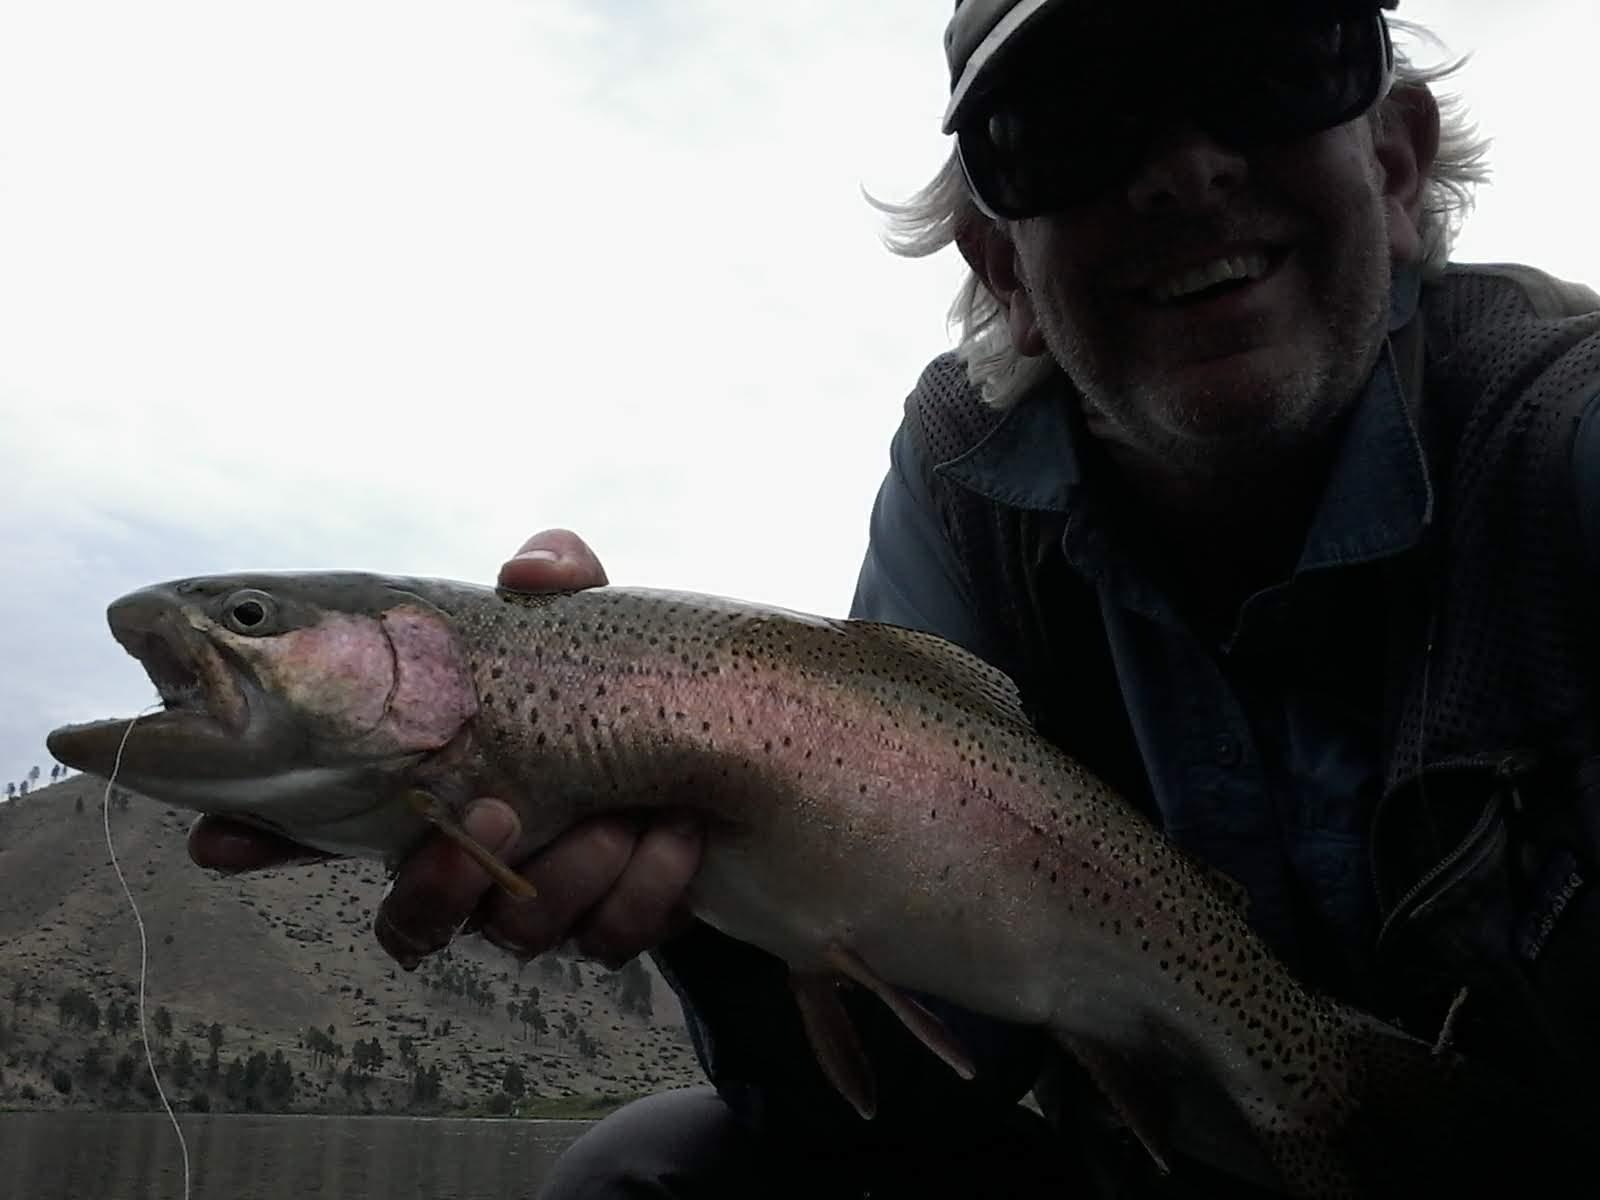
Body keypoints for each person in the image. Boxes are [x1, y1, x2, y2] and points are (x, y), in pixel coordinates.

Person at [191, 0, 1600, 1194]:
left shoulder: (1564, 431)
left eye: (1265, 64)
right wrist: (724, 918)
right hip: (1151, 1154)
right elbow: (908, 1110)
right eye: (1073, 123)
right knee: (653, 1173)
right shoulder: (966, 486)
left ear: (1396, 161)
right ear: (1003, 270)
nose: (1183, 168)